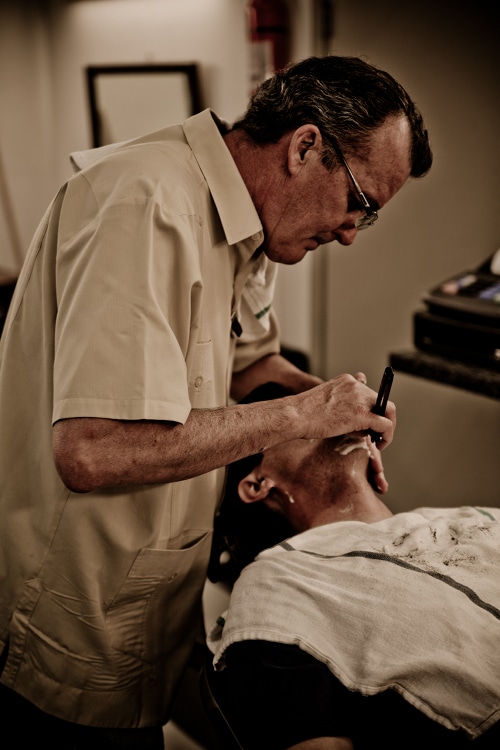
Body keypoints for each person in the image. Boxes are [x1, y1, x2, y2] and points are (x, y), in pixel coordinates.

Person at [0, 55, 432, 746]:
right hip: (74, 608)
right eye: (360, 204)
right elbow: (92, 449)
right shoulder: (145, 204)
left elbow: (248, 360)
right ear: (305, 147)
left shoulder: (251, 223)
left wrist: (331, 402)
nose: (352, 232)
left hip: (156, 600)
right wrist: (303, 415)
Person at [208, 383, 500, 750]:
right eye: (303, 410)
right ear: (258, 484)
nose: (329, 412)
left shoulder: (469, 514)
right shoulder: (279, 582)